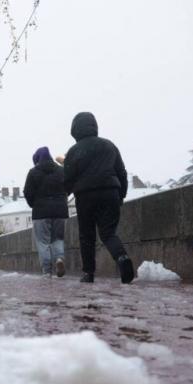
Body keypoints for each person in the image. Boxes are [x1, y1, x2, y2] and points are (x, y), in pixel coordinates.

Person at [63, 112, 135, 284]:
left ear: (75, 130)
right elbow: (121, 172)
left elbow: (67, 179)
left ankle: (89, 273)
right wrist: (121, 194)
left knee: (87, 235)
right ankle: (122, 258)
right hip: (110, 192)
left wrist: (66, 194)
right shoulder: (109, 145)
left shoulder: (73, 151)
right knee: (109, 233)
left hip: (85, 195)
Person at [23, 146, 69, 277]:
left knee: (43, 242)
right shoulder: (61, 171)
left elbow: (27, 192)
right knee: (58, 239)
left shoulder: (33, 172)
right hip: (60, 211)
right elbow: (68, 186)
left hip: (41, 212)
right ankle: (59, 258)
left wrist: (34, 204)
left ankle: (47, 270)